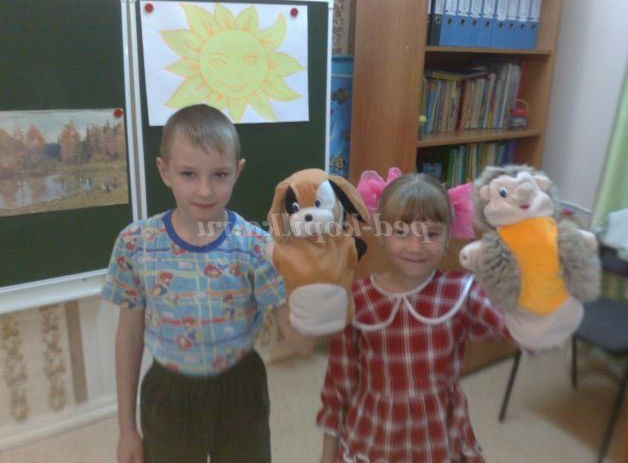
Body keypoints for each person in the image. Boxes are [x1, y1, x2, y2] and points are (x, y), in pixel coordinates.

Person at [102, 104, 314, 463]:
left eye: (219, 174)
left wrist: (316, 284)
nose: (205, 190)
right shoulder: (135, 243)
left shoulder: (257, 246)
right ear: (164, 171)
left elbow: (300, 342)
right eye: (188, 173)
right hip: (169, 395)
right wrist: (126, 429)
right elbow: (129, 335)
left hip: (241, 390)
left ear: (237, 171)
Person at [317, 173, 512, 463]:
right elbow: (338, 385)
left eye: (431, 234)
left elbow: (516, 327)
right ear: (382, 233)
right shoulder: (356, 299)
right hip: (372, 438)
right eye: (401, 232)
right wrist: (327, 456)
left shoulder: (463, 292)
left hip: (437, 438)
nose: (416, 247)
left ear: (449, 235)